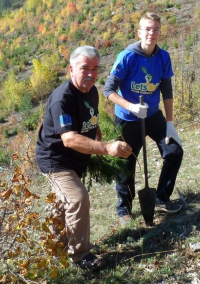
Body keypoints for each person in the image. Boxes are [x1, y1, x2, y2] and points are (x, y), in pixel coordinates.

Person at [36, 45, 132, 271]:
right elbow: (69, 139)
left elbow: (91, 120)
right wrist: (106, 148)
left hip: (76, 159)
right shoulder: (63, 98)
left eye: (95, 69)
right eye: (85, 68)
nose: (91, 74)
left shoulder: (91, 91)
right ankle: (80, 256)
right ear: (71, 69)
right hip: (56, 160)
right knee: (77, 199)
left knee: (61, 204)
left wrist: (97, 139)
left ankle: (55, 250)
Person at [103, 12, 184, 224]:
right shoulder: (127, 57)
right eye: (147, 29)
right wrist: (130, 106)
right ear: (139, 32)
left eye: (156, 29)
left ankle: (161, 197)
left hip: (153, 115)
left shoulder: (163, 57)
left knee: (174, 151)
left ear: (160, 32)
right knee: (125, 166)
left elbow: (166, 89)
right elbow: (108, 90)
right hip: (128, 119)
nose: (152, 33)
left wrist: (170, 123)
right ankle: (124, 210)